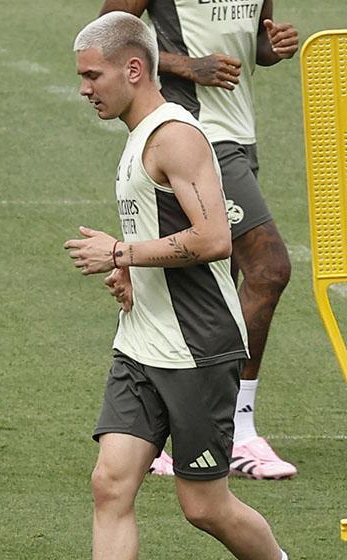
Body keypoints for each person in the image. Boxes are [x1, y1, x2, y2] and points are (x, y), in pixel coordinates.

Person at [51, 13, 327, 560]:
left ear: (133, 69)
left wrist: (120, 250)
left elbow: (212, 241)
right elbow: (162, 225)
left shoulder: (176, 136)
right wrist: (130, 268)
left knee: (204, 505)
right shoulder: (138, 133)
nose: (85, 89)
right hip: (140, 345)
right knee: (110, 482)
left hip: (198, 349)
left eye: (93, 76)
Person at [98, 0, 300, 480]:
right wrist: (186, 66)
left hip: (240, 132)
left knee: (210, 286)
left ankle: (169, 431)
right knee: (270, 268)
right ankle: (238, 427)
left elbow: (254, 43)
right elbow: (107, 36)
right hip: (194, 130)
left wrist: (270, 48)